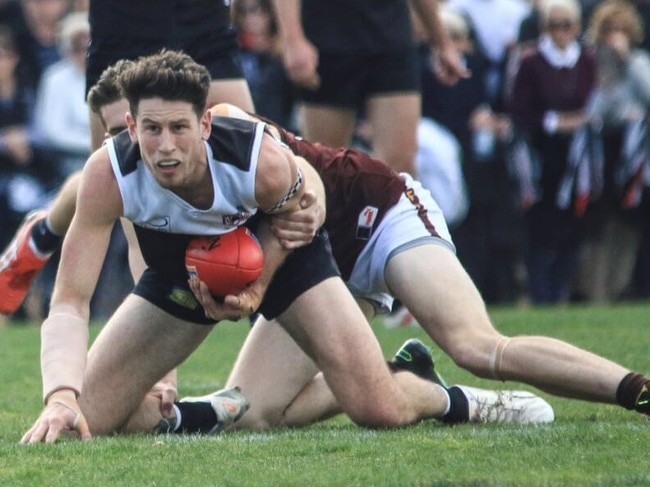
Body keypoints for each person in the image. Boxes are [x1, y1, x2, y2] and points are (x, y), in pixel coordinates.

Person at [21, 50, 549, 445]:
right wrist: (60, 394)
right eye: (149, 130)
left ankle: (446, 395)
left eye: (179, 127)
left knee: (377, 407)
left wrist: (257, 283)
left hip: (283, 253)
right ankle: (204, 411)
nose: (164, 145)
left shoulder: (251, 153)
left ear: (204, 124)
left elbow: (309, 191)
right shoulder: (106, 172)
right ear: (129, 128)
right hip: (185, 267)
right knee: (83, 420)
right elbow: (69, 300)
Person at [179, 102, 650, 431]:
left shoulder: (224, 124)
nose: (158, 146)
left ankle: (636, 390)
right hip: (315, 264)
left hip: (376, 214)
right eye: (139, 130)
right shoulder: (152, 177)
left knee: (475, 346)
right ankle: (429, 390)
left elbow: (299, 205)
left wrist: (254, 283)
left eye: (167, 126)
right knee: (258, 413)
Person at [0, 0, 257, 316]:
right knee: (123, 191)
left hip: (204, 22)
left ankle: (42, 231)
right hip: (127, 25)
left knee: (252, 161)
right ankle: (43, 233)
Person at [271, 0, 469, 176]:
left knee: (400, 169)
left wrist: (442, 43)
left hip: (392, 37)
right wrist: (293, 40)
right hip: (327, 39)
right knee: (325, 167)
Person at [508, 0, 596, 304]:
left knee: (574, 226)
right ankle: (541, 294)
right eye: (553, 25)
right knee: (540, 228)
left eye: (567, 25)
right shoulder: (530, 61)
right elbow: (518, 111)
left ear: (577, 27)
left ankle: (560, 291)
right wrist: (557, 122)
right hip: (539, 156)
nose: (560, 32)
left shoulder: (586, 60)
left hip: (579, 156)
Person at [573, 0, 650, 303]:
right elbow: (592, 109)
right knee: (599, 225)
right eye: (610, 29)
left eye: (622, 29)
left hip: (633, 155)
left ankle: (618, 287)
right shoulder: (590, 64)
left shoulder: (639, 61)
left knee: (629, 223)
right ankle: (595, 291)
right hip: (598, 153)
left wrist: (627, 60)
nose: (615, 36)